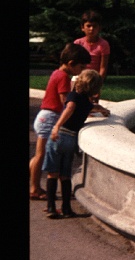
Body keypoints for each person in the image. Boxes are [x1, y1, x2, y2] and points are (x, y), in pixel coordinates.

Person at [43, 69, 110, 218]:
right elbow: (95, 107)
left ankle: (51, 207)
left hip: (60, 135)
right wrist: (104, 110)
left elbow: (70, 107)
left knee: (52, 173)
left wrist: (57, 126)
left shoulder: (73, 96)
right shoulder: (87, 102)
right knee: (65, 175)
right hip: (72, 138)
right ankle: (66, 209)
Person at [30, 43, 91, 200]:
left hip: (45, 116)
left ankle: (34, 184)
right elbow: (66, 102)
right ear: (71, 64)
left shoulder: (57, 73)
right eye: (81, 66)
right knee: (41, 154)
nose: (82, 70)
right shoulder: (63, 77)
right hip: (49, 117)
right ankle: (34, 188)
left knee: (39, 154)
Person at [74, 10, 111, 101]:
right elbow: (74, 64)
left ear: (99, 28)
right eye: (88, 26)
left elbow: (103, 67)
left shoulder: (103, 44)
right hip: (80, 78)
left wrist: (98, 85)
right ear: (82, 27)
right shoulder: (78, 43)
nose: (91, 29)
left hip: (94, 80)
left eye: (94, 26)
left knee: (92, 103)